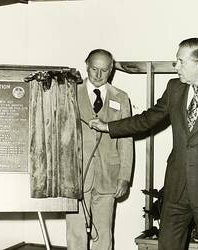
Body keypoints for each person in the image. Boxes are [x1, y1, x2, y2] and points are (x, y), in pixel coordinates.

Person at [89, 38, 198, 250]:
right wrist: (108, 126)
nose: (176, 66)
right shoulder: (175, 88)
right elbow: (147, 119)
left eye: (181, 61)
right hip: (176, 187)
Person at [66, 49, 133, 250]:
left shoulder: (121, 98)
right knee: (76, 234)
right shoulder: (70, 92)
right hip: (76, 176)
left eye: (104, 70)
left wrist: (124, 177)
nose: (98, 75)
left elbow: (126, 139)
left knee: (103, 234)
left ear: (111, 70)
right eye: (94, 69)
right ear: (86, 65)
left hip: (109, 175)